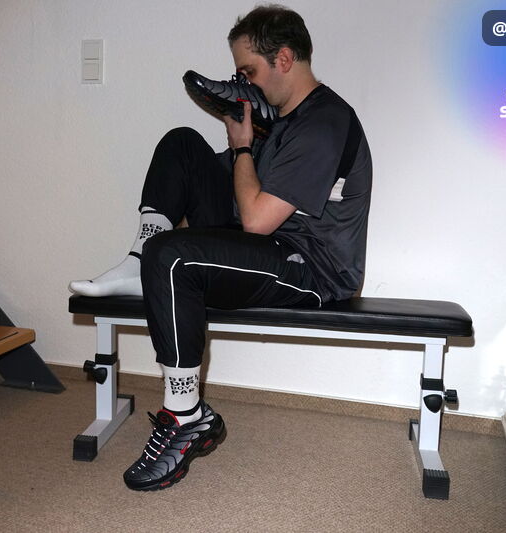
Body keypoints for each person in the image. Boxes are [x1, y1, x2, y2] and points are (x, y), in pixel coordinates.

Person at [69, 4, 372, 491]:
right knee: (181, 144)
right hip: (266, 247)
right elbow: (223, 196)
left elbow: (256, 220)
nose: (243, 82)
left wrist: (243, 147)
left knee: (171, 255)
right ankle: (137, 259)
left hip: (312, 269)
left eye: (249, 72)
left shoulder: (325, 122)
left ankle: (185, 416)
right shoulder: (282, 122)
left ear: (284, 59)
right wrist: (238, 151)